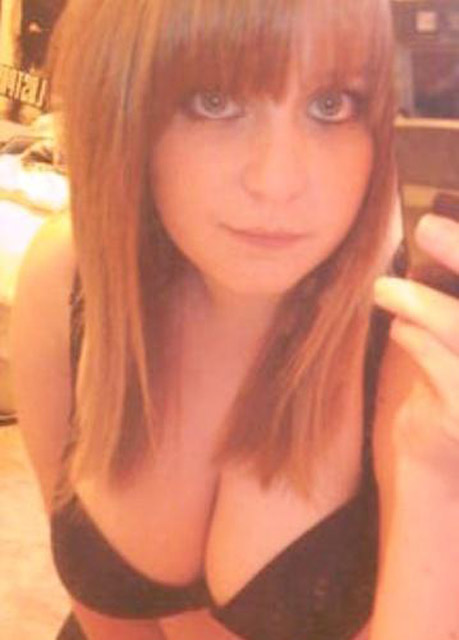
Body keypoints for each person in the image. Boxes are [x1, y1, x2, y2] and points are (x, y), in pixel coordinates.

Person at [10, 0, 459, 639]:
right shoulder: (68, 280)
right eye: (215, 101)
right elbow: (104, 618)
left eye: (332, 105)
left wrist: (440, 477)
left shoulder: (418, 343)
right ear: (124, 99)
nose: (277, 182)